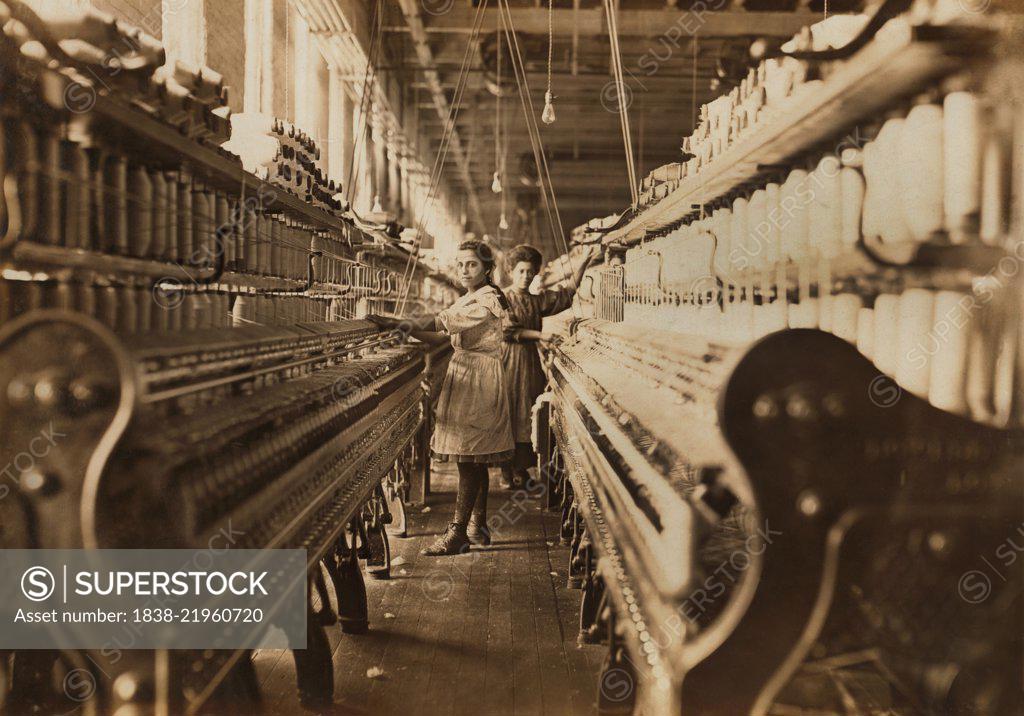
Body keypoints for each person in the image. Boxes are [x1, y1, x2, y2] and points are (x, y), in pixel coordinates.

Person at [367, 240, 514, 555]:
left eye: (471, 264)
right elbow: (438, 332)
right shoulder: (470, 298)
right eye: (460, 264)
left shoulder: (485, 302)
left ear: (488, 269)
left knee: (468, 457)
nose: (464, 270)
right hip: (468, 373)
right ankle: (478, 526)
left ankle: (458, 532)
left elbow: (439, 323)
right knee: (475, 456)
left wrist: (395, 322)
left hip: (478, 377)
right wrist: (404, 330)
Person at [494, 244, 595, 490]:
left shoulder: (535, 299)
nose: (526, 276)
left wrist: (583, 263)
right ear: (511, 271)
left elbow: (564, 295)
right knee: (509, 409)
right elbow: (508, 330)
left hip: (528, 361)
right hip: (508, 360)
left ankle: (520, 468)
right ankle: (506, 471)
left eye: (530, 272)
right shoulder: (502, 297)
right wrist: (540, 336)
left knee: (528, 409)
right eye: (521, 271)